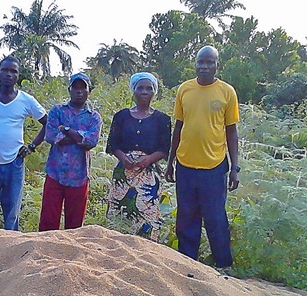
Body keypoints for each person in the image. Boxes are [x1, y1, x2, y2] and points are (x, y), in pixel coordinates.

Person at [165, 45, 240, 268]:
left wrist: (235, 168)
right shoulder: (184, 90)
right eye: (201, 62)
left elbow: (231, 131)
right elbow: (178, 127)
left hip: (214, 167)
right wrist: (170, 163)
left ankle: (223, 265)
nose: (204, 66)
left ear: (217, 65)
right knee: (186, 218)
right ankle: (188, 264)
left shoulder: (227, 92)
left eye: (209, 62)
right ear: (195, 63)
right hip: (185, 165)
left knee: (216, 218)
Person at [0, 56, 47, 233]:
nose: (8, 74)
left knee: (12, 215)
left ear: (18, 75)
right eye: (5, 70)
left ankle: (11, 255)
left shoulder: (26, 100)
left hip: (14, 163)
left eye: (13, 71)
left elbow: (49, 123)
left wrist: (31, 146)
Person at [106, 72, 171, 241]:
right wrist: (123, 158)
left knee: (147, 214)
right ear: (133, 91)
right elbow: (112, 144)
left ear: (154, 92)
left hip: (149, 175)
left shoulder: (162, 119)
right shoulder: (121, 116)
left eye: (149, 88)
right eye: (140, 88)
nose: (144, 92)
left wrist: (148, 159)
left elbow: (165, 149)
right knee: (120, 213)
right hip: (124, 174)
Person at [38, 73, 102, 231]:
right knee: (48, 221)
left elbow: (91, 141)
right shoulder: (57, 111)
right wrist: (80, 136)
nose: (79, 91)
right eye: (75, 87)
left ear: (89, 91)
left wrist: (65, 129)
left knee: (75, 226)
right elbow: (51, 136)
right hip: (55, 173)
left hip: (79, 176)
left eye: (83, 87)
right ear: (69, 89)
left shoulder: (94, 117)